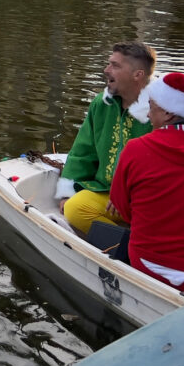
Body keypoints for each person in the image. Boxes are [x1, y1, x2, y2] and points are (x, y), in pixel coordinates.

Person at [56, 41, 156, 237]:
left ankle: (140, 240)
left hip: (147, 200)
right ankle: (126, 244)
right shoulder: (101, 104)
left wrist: (127, 196)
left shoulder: (161, 110)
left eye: (115, 66)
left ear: (138, 75)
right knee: (75, 208)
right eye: (109, 63)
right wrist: (67, 192)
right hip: (105, 192)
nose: (106, 70)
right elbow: (82, 152)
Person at [109, 71, 184, 288]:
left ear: (169, 114)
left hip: (149, 263)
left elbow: (123, 209)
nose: (148, 115)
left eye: (152, 106)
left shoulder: (136, 149)